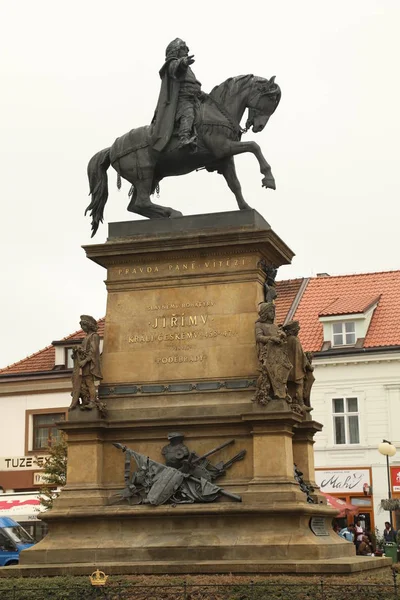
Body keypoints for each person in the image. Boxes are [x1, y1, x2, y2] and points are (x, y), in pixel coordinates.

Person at [151, 38, 203, 152]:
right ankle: (183, 139)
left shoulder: (189, 69)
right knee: (188, 114)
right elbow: (175, 67)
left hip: (195, 97)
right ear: (176, 51)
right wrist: (183, 62)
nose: (187, 50)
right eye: (184, 48)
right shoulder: (172, 64)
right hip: (182, 99)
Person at [253, 302, 292, 405]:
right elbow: (259, 337)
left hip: (278, 355)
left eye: (274, 311)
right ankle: (265, 393)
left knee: (279, 373)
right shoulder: (259, 324)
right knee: (267, 374)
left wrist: (282, 336)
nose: (273, 313)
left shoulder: (274, 326)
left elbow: (278, 337)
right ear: (265, 313)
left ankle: (280, 392)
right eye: (271, 311)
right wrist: (272, 338)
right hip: (267, 354)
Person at [69, 315, 103, 410]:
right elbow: (83, 350)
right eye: (81, 326)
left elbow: (93, 351)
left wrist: (85, 360)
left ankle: (92, 401)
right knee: (84, 382)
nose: (82, 328)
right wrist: (76, 355)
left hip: (88, 364)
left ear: (89, 325)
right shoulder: (86, 337)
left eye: (83, 326)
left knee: (89, 382)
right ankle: (86, 400)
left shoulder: (94, 336)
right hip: (83, 365)